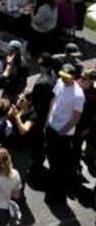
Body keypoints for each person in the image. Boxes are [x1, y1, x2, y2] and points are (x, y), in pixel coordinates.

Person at [46, 63, 85, 204]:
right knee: (51, 158)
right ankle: (52, 187)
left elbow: (76, 118)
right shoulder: (60, 82)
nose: (63, 79)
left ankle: (58, 195)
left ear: (74, 77)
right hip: (51, 128)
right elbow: (53, 100)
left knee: (60, 165)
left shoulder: (78, 95)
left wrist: (62, 132)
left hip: (63, 135)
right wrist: (48, 120)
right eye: (62, 76)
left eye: (66, 77)